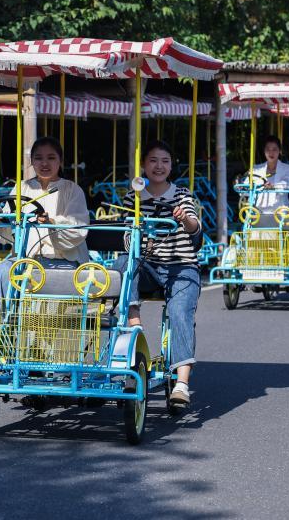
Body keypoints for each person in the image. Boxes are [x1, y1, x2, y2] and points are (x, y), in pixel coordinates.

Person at [112, 141, 200, 407]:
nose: (159, 166)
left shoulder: (182, 194)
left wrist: (184, 218)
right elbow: (127, 241)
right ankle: (134, 321)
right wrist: (138, 231)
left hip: (181, 266)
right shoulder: (134, 197)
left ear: (171, 165)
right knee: (123, 261)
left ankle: (181, 384)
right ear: (143, 165)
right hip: (148, 266)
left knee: (180, 312)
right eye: (153, 160)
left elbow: (194, 228)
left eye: (165, 161)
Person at [0, 137, 90, 319]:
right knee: (3, 270)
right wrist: (0, 218)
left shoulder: (73, 190)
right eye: (39, 158)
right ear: (32, 161)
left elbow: (77, 228)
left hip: (63, 261)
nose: (44, 163)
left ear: (60, 161)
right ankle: (4, 325)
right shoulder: (22, 187)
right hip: (26, 260)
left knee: (47, 309)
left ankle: (42, 330)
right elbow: (7, 227)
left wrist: (51, 222)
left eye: (51, 158)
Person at [251, 134, 289, 213]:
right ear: (264, 151)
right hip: (258, 211)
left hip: (280, 210)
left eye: (274, 149)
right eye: (268, 149)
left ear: (279, 151)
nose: (271, 153)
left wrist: (273, 186)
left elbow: (286, 184)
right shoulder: (256, 169)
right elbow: (247, 186)